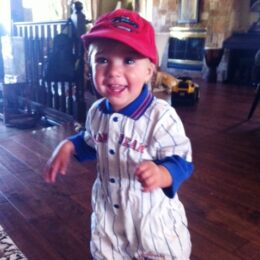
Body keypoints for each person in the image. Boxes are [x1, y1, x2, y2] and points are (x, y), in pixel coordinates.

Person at [44, 8, 194, 259]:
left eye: (129, 60)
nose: (113, 71)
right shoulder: (96, 112)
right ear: (90, 68)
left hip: (152, 221)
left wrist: (162, 172)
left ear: (149, 70)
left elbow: (182, 162)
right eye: (103, 60)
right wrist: (69, 146)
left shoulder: (161, 117)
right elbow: (92, 141)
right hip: (109, 217)